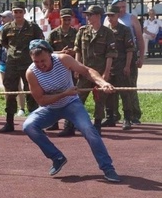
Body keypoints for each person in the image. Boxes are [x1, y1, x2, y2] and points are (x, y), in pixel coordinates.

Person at [23, 39, 121, 183]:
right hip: (50, 108)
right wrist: (64, 93)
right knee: (28, 126)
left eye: (43, 60)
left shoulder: (63, 60)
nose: (40, 65)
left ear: (50, 54)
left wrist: (103, 83)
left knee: (89, 130)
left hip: (71, 104)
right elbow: (41, 101)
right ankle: (57, 157)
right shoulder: (31, 72)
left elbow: (87, 71)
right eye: (36, 61)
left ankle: (108, 168)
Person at [0, 1, 44, 132]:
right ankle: (9, 122)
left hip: (28, 64)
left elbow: (39, 42)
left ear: (24, 12)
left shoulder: (32, 27)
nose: (18, 14)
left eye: (20, 11)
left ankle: (35, 123)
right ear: (12, 13)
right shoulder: (7, 28)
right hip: (12, 64)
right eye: (15, 12)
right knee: (10, 92)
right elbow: (4, 43)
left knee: (31, 92)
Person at [74, 5, 117, 135]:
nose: (87, 17)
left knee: (100, 100)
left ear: (98, 16)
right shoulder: (82, 31)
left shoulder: (107, 33)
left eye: (90, 15)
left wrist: (107, 72)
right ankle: (73, 124)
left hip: (99, 72)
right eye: (87, 15)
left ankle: (97, 125)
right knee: (77, 98)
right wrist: (77, 67)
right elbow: (78, 51)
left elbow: (110, 54)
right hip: (85, 71)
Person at [106, 0, 144, 124]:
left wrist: (141, 57)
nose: (122, 9)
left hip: (129, 57)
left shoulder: (131, 19)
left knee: (130, 87)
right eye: (120, 7)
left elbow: (139, 39)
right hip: (112, 60)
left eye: (124, 6)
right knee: (112, 89)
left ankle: (133, 115)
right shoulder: (108, 20)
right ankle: (114, 115)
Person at [45, 8, 78, 136]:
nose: (67, 21)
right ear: (60, 19)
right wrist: (60, 53)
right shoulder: (53, 34)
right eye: (64, 19)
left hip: (71, 68)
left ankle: (69, 126)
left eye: (69, 19)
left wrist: (72, 52)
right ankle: (53, 122)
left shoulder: (76, 33)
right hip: (56, 68)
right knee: (54, 94)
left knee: (70, 96)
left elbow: (80, 49)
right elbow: (47, 51)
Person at [102, 5, 135, 130]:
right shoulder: (104, 31)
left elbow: (130, 49)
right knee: (108, 93)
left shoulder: (124, 30)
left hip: (121, 66)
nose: (110, 18)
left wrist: (127, 66)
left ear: (117, 16)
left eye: (112, 15)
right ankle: (110, 117)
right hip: (109, 67)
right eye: (108, 15)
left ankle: (127, 118)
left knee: (124, 93)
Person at [0, 10, 27, 117]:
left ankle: (21, 108)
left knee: (18, 86)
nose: (2, 20)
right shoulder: (1, 30)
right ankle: (9, 110)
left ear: (11, 18)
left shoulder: (17, 28)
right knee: (7, 86)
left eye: (4, 17)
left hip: (19, 62)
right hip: (4, 62)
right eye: (1, 17)